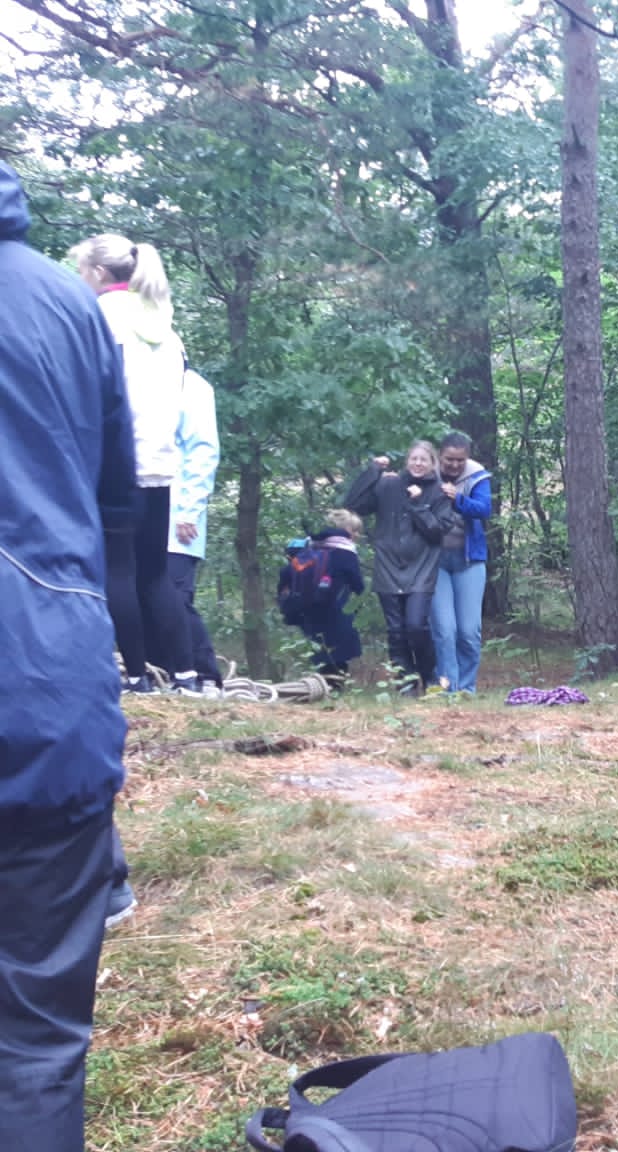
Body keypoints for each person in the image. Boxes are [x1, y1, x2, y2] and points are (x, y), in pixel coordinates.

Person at [0, 157, 134, 1152]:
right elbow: (113, 498)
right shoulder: (61, 301)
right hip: (47, 677)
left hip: (45, 673)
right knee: (39, 1040)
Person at [72, 232, 200, 694]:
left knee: (118, 570)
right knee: (154, 572)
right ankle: (186, 676)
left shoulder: (99, 318)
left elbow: (89, 390)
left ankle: (138, 675)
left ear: (98, 272)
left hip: (116, 461)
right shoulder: (164, 326)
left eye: (81, 271)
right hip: (159, 460)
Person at [343, 442, 460, 696]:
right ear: (407, 461)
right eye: (414, 459)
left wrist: (417, 505)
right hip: (388, 567)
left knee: (416, 627)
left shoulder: (440, 492)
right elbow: (353, 504)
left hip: (421, 569)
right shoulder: (389, 484)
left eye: (423, 460)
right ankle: (405, 683)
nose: (418, 463)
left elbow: (437, 531)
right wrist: (373, 472)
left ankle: (430, 678)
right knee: (396, 632)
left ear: (433, 463)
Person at [166, 366, 222, 690]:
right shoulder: (137, 379)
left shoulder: (192, 386)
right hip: (143, 512)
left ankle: (205, 675)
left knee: (175, 597)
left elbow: (203, 451)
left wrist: (189, 510)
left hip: (178, 517)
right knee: (146, 596)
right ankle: (163, 671)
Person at [429, 431, 492, 695]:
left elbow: (484, 509)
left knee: (468, 630)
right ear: (440, 456)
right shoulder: (427, 474)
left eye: (460, 460)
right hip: (435, 561)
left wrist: (458, 498)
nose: (454, 465)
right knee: (445, 629)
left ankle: (466, 688)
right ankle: (446, 688)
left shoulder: (477, 476)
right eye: (449, 460)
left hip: (469, 559)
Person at [279, 511, 366, 686]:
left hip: (310, 611)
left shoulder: (311, 547)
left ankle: (323, 688)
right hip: (337, 610)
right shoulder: (345, 551)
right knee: (338, 657)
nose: (357, 534)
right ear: (344, 529)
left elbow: (287, 574)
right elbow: (358, 585)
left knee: (321, 656)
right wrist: (359, 604)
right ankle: (334, 690)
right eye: (354, 529)